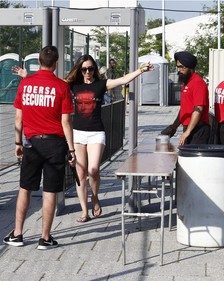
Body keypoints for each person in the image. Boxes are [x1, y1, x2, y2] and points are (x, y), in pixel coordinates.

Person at [65, 54, 153, 223]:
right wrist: (28, 77)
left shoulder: (100, 84)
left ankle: (95, 197)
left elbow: (123, 80)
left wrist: (141, 70)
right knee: (80, 173)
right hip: (78, 133)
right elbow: (51, 82)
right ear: (79, 70)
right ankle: (84, 211)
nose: (88, 72)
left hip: (96, 132)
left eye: (91, 68)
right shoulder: (74, 85)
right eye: (84, 69)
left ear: (95, 69)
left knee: (93, 170)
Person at [3, 45, 76, 249]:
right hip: (54, 143)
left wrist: (18, 143)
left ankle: (17, 234)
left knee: (25, 188)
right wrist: (71, 150)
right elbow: (66, 122)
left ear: (39, 63)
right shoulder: (62, 87)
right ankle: (45, 238)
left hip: (31, 143)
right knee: (50, 191)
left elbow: (19, 118)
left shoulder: (26, 84)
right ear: (56, 63)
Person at [161, 51, 210, 146]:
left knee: (193, 160)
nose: (178, 70)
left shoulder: (198, 83)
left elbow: (198, 109)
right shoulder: (186, 83)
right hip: (189, 128)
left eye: (181, 67)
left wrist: (188, 132)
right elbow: (184, 109)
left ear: (190, 67)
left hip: (198, 130)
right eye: (177, 67)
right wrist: (174, 126)